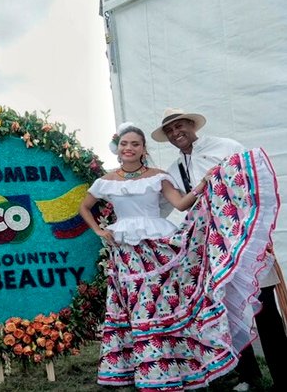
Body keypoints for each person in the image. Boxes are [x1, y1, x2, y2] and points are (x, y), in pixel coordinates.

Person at [79, 122, 278, 390]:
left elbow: (182, 203)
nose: (129, 148)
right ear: (118, 148)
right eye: (124, 143)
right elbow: (85, 207)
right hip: (127, 253)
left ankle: (182, 366)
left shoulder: (165, 173)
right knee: (138, 310)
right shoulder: (108, 180)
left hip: (161, 248)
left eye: (135, 144)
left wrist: (204, 183)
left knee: (166, 307)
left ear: (143, 149)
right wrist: (100, 231)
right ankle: (151, 369)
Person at [152, 107, 287, 391]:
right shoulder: (175, 170)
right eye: (170, 131)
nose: (177, 133)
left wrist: (252, 230)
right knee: (227, 310)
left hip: (242, 241)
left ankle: (283, 376)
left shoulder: (225, 147)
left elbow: (251, 182)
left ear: (192, 124)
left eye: (180, 126)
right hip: (212, 249)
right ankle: (250, 376)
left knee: (263, 308)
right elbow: (164, 206)